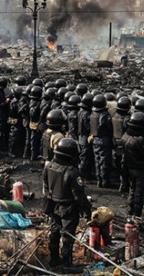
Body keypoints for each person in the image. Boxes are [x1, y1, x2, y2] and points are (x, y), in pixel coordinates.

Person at [42, 138, 92, 271]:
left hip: (53, 204)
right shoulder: (72, 172)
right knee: (68, 237)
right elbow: (79, 196)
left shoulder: (49, 166)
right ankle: (66, 264)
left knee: (54, 232)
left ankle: (54, 259)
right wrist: (87, 211)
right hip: (68, 208)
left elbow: (46, 185)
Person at [122, 112, 144, 220]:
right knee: (139, 195)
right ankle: (136, 217)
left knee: (132, 191)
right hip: (140, 170)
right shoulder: (141, 141)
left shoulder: (125, 137)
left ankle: (129, 214)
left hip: (129, 169)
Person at [90, 94, 113, 188]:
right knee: (104, 161)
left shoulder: (93, 114)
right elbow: (109, 128)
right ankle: (104, 180)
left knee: (97, 160)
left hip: (95, 139)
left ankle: (99, 179)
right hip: (104, 140)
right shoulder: (104, 115)